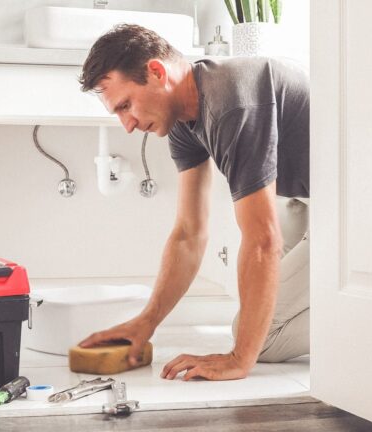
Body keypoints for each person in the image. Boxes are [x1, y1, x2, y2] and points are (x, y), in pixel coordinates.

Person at [77, 24, 310, 381]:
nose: (127, 124)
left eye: (126, 105)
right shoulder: (185, 118)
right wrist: (147, 321)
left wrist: (238, 360)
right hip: (309, 196)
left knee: (261, 342)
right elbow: (188, 233)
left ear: (156, 72)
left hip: (366, 202)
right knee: (260, 313)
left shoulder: (231, 101)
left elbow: (263, 239)